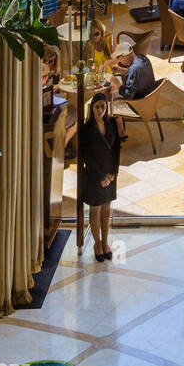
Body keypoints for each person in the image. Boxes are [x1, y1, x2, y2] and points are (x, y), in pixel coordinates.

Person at [79, 92, 120, 262]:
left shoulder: (111, 124)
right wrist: (101, 177)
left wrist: (113, 174)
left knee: (106, 209)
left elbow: (117, 149)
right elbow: (85, 156)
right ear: (92, 108)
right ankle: (97, 243)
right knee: (95, 210)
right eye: (97, 107)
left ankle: (105, 242)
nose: (101, 110)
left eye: (103, 106)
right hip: (94, 176)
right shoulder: (87, 129)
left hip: (110, 174)